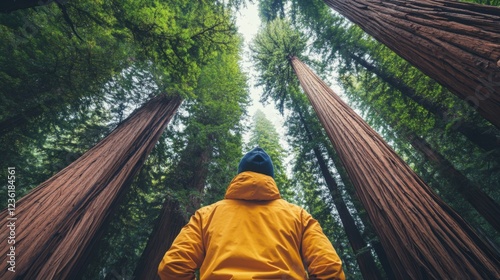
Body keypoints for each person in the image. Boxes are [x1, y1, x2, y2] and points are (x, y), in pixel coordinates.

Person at [158, 147, 345, 279]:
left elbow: (173, 266)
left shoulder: (206, 215)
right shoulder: (299, 216)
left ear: (240, 175)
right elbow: (329, 268)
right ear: (270, 177)